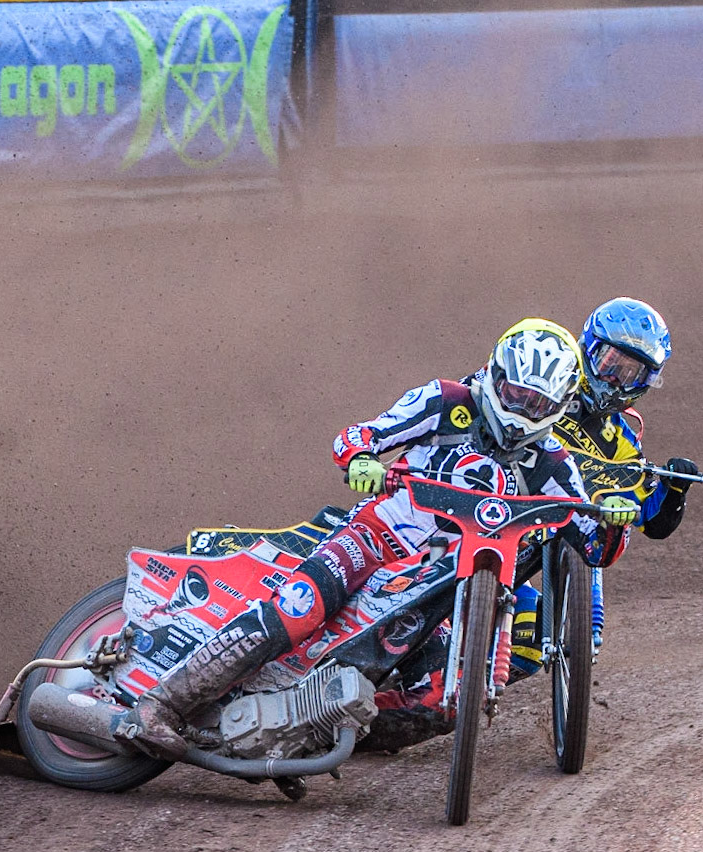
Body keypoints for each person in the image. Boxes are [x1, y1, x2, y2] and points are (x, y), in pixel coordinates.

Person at [126, 318, 640, 761]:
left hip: (447, 582)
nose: (522, 408)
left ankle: (313, 736)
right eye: (515, 393)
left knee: (449, 700)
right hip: (376, 538)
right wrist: (363, 460)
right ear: (496, 374)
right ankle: (159, 706)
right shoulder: (446, 401)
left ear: (560, 404)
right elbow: (360, 435)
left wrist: (615, 519)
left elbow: (594, 547)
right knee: (299, 608)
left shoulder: (554, 463)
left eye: (538, 402)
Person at [364, 298, 698, 751]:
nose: (616, 380)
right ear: (588, 348)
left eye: (632, 374)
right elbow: (479, 401)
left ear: (647, 383)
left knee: (530, 636)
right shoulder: (545, 381)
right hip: (463, 523)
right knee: (407, 592)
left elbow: (647, 517)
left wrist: (671, 490)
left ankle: (405, 713)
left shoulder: (624, 438)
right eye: (610, 362)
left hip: (549, 533)